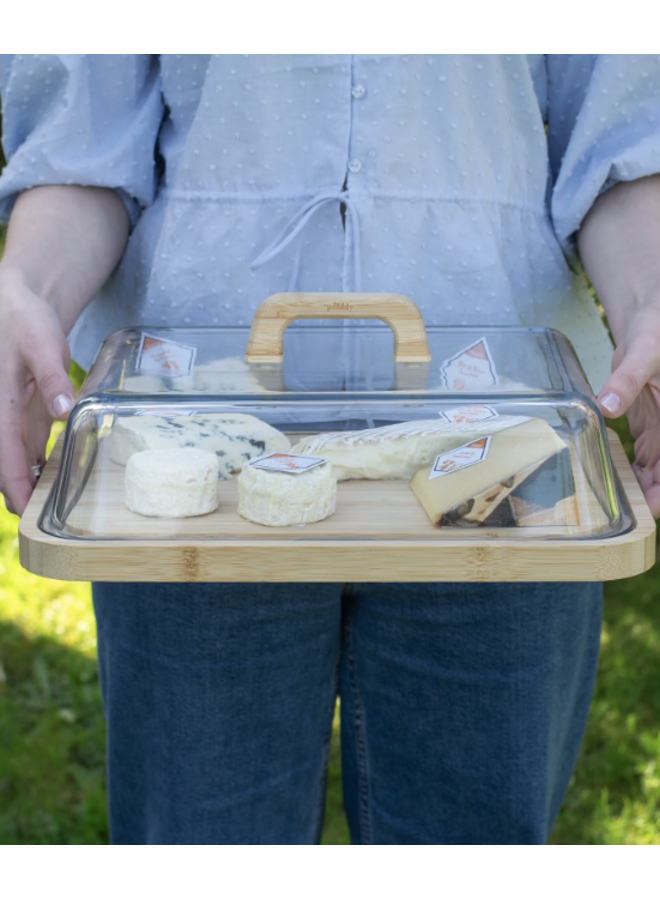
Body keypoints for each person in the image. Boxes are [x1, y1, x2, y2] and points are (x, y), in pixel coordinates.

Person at [1, 54, 659, 846]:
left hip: (502, 443)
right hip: (197, 456)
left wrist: (652, 303)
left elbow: (627, 140)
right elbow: (82, 149)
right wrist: (28, 292)